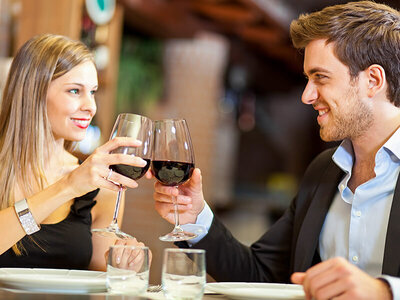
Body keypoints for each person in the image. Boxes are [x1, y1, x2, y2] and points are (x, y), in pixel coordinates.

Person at [153, 1, 400, 299]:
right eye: (308, 79)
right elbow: (259, 274)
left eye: (320, 77)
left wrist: (385, 291)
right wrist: (194, 218)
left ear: (372, 80)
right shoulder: (323, 171)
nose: (307, 95)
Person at [0, 33, 149, 271]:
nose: (90, 107)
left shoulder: (100, 188)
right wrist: (68, 186)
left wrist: (123, 269)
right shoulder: (80, 180)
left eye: (92, 92)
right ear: (33, 92)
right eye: (74, 91)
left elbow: (98, 285)